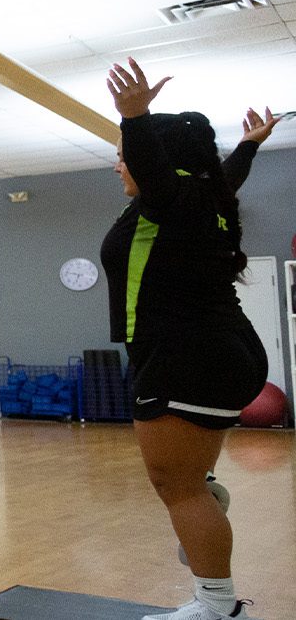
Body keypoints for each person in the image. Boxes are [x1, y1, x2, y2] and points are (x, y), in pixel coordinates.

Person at [102, 57, 272, 620]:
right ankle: (205, 497)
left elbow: (154, 165)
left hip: (187, 355)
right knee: (184, 483)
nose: (119, 166)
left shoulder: (172, 200)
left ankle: (217, 608)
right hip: (219, 351)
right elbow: (229, 175)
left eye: (124, 159)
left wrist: (136, 118)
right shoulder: (204, 199)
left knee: (176, 487)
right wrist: (247, 146)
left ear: (158, 166)